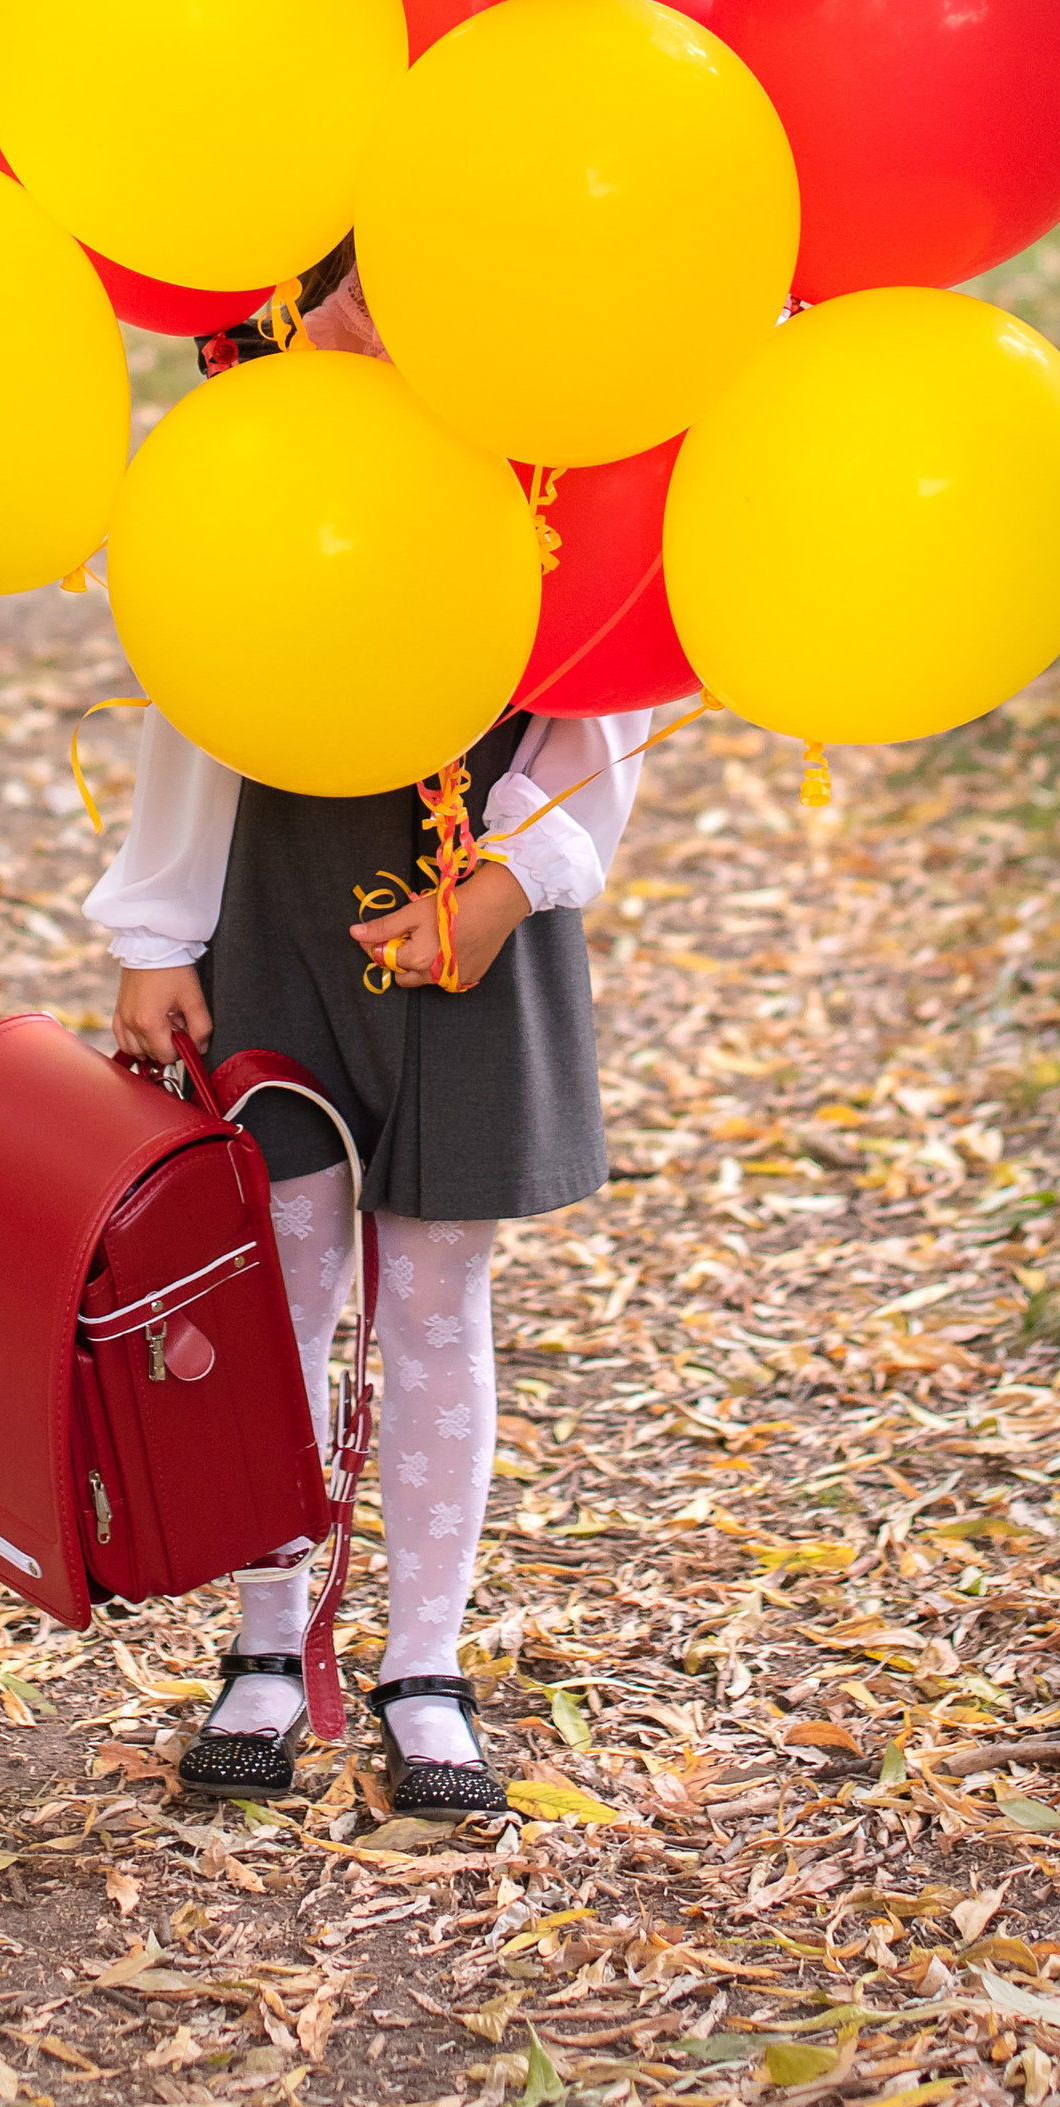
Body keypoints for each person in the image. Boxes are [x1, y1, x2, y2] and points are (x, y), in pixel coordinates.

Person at [84, 245, 651, 1817]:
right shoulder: (268, 443)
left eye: (429, 287)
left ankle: (424, 1662)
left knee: (438, 1288)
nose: (390, 325)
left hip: (468, 911)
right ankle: (269, 1647)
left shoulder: (541, 454)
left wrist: (510, 882)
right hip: (276, 902)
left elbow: (610, 705)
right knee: (280, 1273)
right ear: (301, 292)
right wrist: (155, 930)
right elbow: (200, 695)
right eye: (360, 291)